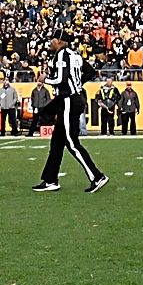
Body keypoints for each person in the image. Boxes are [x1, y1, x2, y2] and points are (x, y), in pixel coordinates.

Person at [33, 29, 108, 194]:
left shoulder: (62, 55)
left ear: (59, 40)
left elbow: (61, 79)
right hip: (73, 98)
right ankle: (50, 179)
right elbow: (90, 72)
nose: (50, 42)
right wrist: (77, 83)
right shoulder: (75, 55)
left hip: (68, 100)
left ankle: (97, 176)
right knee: (57, 143)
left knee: (71, 142)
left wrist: (45, 79)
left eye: (52, 39)